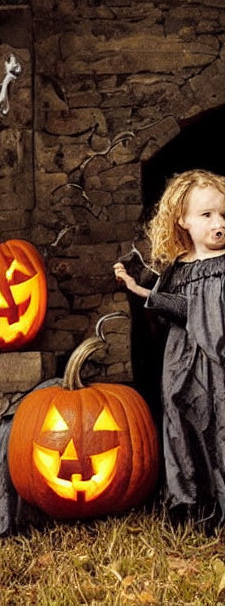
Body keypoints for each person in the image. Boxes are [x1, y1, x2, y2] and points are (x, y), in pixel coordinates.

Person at [113, 168, 225, 522]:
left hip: (219, 361)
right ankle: (194, 504)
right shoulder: (178, 269)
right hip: (184, 363)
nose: (218, 223)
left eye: (224, 214)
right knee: (186, 425)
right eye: (206, 215)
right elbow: (179, 308)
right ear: (184, 221)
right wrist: (140, 290)